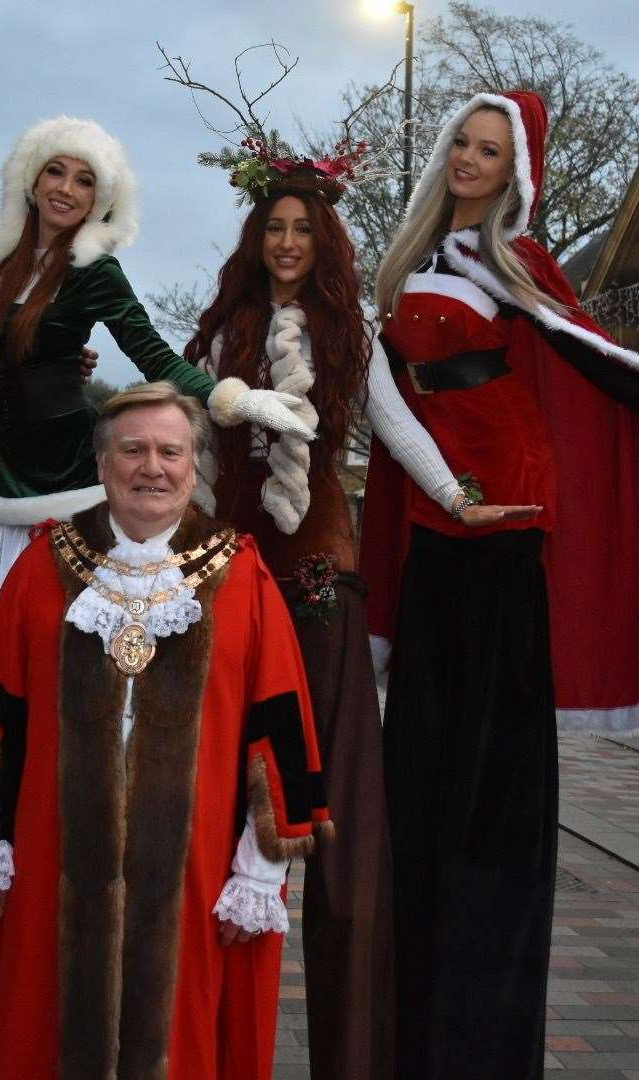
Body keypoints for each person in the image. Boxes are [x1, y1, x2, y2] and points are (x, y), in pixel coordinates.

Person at [359, 91, 639, 1077]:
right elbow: (392, 406)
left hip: (507, 540)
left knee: (492, 804)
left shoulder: (514, 268)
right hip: (440, 541)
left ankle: (483, 1043)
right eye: (461, 146)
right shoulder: (410, 265)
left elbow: (600, 366)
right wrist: (442, 487)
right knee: (419, 790)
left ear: (516, 174)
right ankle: (415, 1031)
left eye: (489, 151)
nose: (471, 161)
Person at [0, 383, 330, 1079]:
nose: (153, 467)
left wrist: (259, 873)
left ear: (194, 467)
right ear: (103, 465)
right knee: (40, 1030)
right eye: (133, 450)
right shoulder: (45, 566)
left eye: (171, 451)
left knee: (182, 1036)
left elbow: (280, 726)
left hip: (194, 876)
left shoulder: (242, 575)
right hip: (54, 863)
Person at [0, 116, 315, 666]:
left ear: (100, 199)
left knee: (66, 644)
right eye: (55, 172)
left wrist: (230, 397)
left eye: (85, 181)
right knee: (2, 647)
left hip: (70, 475)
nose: (66, 189)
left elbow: (150, 351)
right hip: (10, 472)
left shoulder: (96, 272)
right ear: (31, 181)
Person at [185, 149, 393, 1078]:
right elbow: (178, 423)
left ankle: (349, 1057)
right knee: (218, 796)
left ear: (327, 242)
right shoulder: (225, 327)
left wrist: (462, 494)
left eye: (304, 229)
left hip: (316, 566)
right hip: (227, 562)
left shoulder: (355, 330)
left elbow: (405, 431)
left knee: (338, 816)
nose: (287, 243)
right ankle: (207, 1041)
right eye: (274, 227)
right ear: (254, 238)